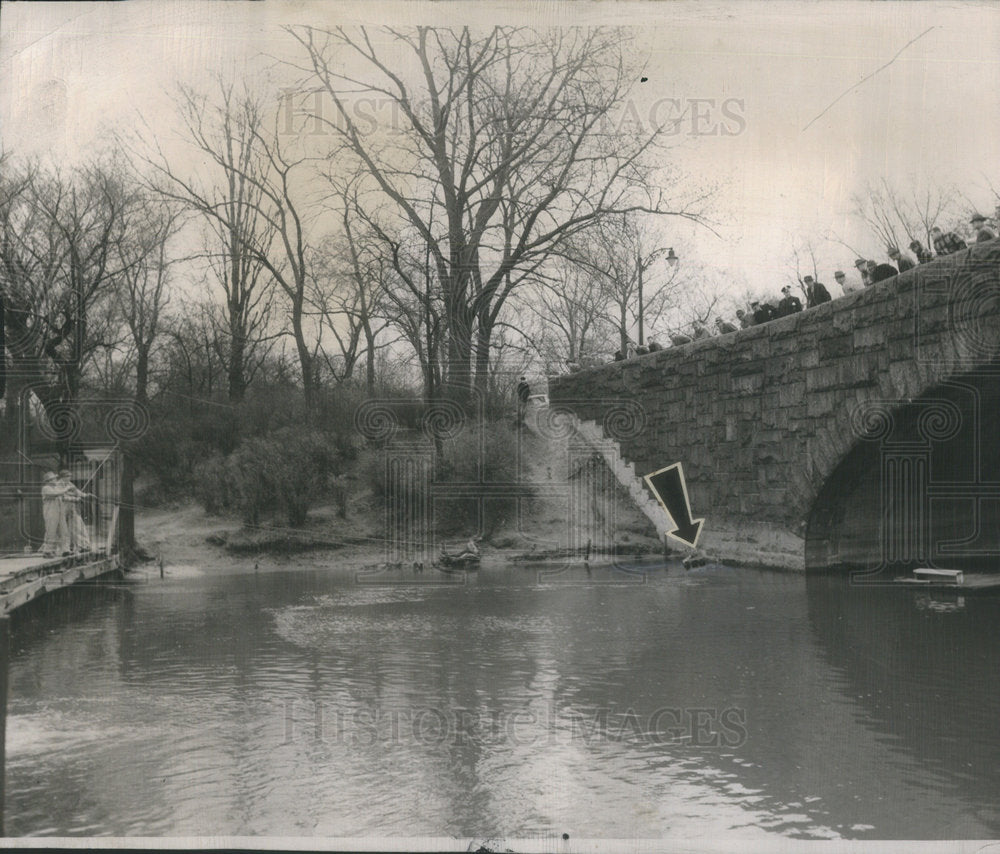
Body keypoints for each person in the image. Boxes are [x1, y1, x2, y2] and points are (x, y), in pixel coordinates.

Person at [58, 469, 93, 553]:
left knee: (78, 526)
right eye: (67, 476)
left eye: (70, 476)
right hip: (61, 509)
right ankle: (64, 548)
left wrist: (86, 495)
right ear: (63, 477)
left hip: (71, 508)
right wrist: (75, 499)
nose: (69, 478)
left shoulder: (70, 484)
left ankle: (83, 545)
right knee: (63, 529)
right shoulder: (58, 485)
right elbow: (62, 497)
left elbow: (77, 492)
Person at [38, 471, 69, 557]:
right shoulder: (46, 488)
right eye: (54, 479)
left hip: (59, 512)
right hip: (50, 513)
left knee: (64, 530)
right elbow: (56, 494)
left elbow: (62, 495)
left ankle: (65, 550)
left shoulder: (56, 488)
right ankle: (48, 551)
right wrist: (66, 489)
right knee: (51, 531)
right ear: (49, 480)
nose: (56, 480)